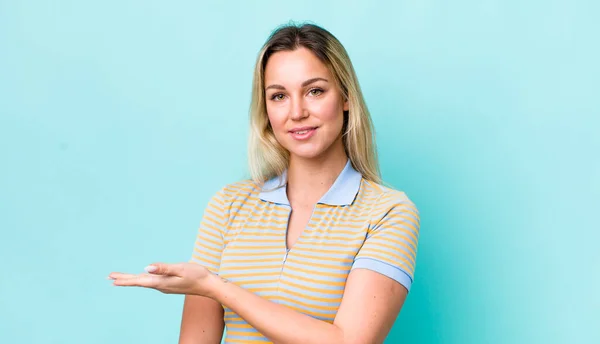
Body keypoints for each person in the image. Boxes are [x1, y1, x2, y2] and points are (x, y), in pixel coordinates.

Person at [109, 22, 421, 344]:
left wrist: (216, 287)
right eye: (279, 96)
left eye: (315, 91)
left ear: (345, 97)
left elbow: (349, 342)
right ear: (266, 108)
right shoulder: (229, 205)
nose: (297, 112)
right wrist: (207, 286)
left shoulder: (388, 213)